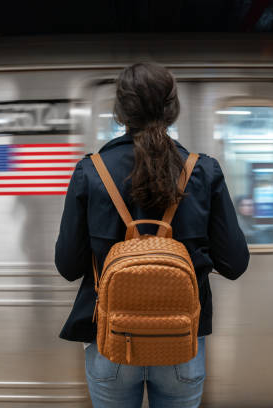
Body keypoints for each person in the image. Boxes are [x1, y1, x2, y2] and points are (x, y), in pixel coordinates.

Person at [55, 62, 249, 408]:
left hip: (110, 341)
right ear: (173, 110)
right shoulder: (203, 171)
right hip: (181, 344)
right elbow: (234, 263)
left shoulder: (90, 171)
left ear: (119, 112)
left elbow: (68, 266)